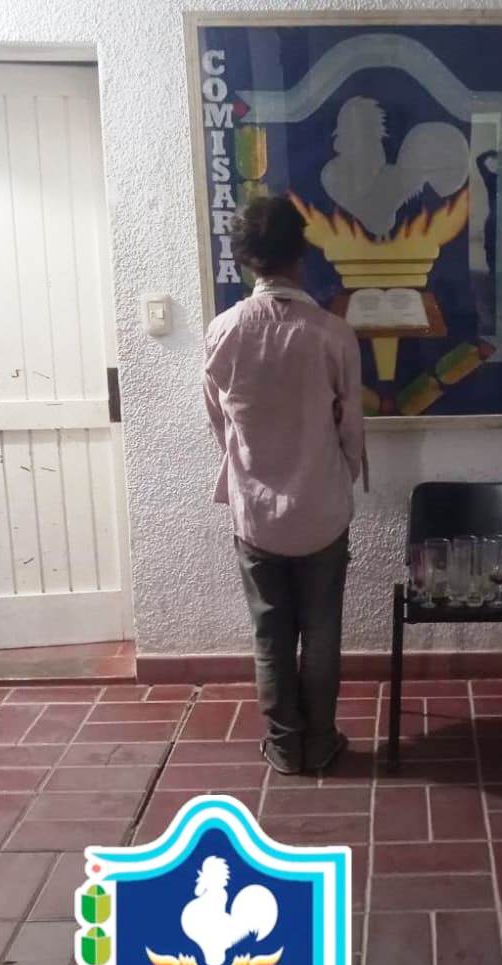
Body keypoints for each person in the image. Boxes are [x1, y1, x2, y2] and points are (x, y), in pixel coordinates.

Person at [203, 195, 365, 775]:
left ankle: (282, 746)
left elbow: (220, 424)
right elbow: (351, 430)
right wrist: (335, 477)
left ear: (247, 259)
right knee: (321, 632)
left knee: (270, 634)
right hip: (321, 510)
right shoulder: (332, 334)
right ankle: (320, 742)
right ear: (302, 253)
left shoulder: (223, 332)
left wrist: (253, 472)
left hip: (255, 514)